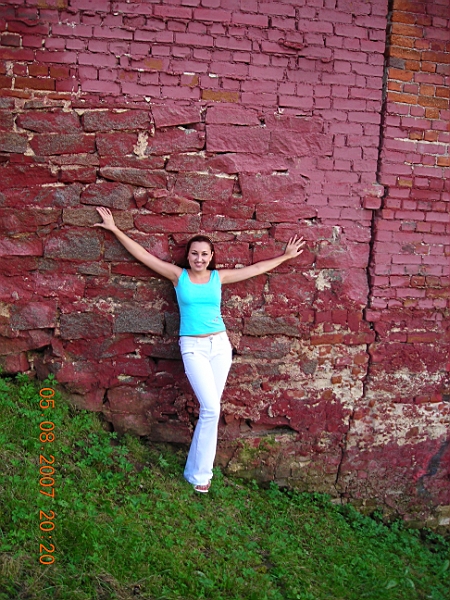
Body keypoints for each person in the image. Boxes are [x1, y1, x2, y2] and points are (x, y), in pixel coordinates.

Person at [94, 206, 305, 493]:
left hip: (220, 346)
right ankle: (201, 475)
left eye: (204, 254)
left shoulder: (218, 278)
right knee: (211, 408)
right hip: (193, 347)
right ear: (188, 255)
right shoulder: (178, 276)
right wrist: (115, 229)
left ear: (211, 256)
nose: (199, 258)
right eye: (194, 253)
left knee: (211, 411)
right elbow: (143, 256)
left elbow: (254, 269)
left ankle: (195, 471)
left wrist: (286, 256)